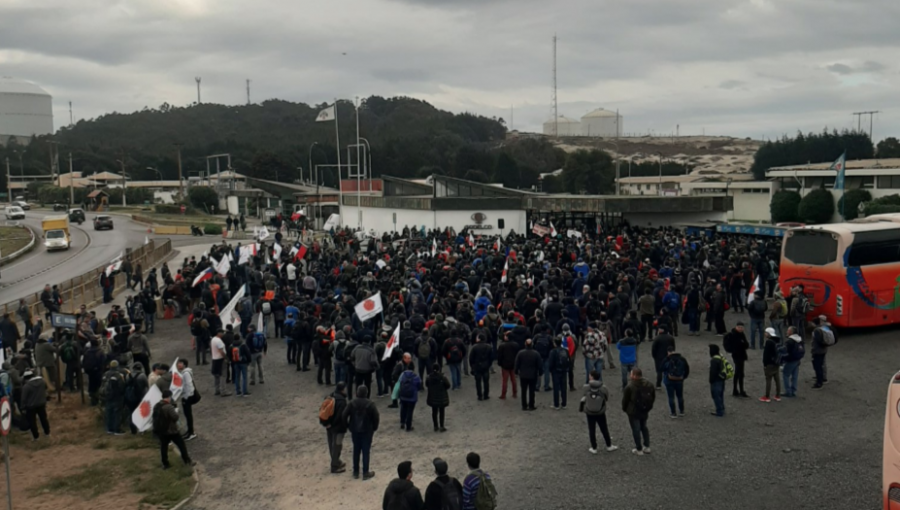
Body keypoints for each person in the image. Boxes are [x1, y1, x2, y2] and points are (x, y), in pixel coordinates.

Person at [343, 385, 379, 480]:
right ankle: (365, 472)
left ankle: (355, 472)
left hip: (355, 430)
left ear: (357, 392)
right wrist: (374, 428)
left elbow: (344, 415)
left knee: (356, 450)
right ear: (366, 393)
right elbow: (376, 417)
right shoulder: (370, 404)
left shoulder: (352, 403)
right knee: (366, 451)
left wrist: (348, 426)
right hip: (367, 430)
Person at [152, 389, 193, 470]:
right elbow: (175, 417)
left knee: (164, 447)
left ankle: (165, 464)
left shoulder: (157, 405)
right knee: (181, 445)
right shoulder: (168, 407)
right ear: (169, 397)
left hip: (162, 431)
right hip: (171, 431)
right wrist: (176, 411)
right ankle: (187, 461)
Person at [580, 370, 618, 454]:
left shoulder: (586, 387)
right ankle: (609, 445)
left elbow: (584, 396)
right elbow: (606, 397)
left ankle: (594, 447)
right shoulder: (603, 388)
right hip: (600, 411)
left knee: (592, 429)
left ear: (591, 377)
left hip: (589, 411)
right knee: (604, 428)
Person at [622, 367, 654, 455]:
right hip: (644, 410)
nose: (630, 375)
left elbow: (625, 400)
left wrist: (625, 409)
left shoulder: (630, 386)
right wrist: (648, 408)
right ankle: (647, 446)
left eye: (631, 374)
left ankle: (639, 448)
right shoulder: (649, 384)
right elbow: (652, 397)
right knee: (644, 427)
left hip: (633, 411)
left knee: (636, 429)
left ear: (635, 376)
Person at [323, 382, 349, 474]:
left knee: (331, 445)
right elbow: (341, 416)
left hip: (328, 426)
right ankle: (334, 466)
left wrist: (326, 423)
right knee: (337, 446)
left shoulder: (330, 396)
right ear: (342, 389)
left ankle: (336, 461)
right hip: (337, 428)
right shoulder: (342, 401)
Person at [514, 338, 543, 411]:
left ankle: (524, 405)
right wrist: (540, 372)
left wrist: (516, 372)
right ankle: (531, 405)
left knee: (523, 391)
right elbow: (539, 364)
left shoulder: (520, 353)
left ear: (525, 344)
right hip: (533, 375)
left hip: (523, 375)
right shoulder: (536, 353)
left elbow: (517, 363)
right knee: (532, 391)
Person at [661, 345, 689, 418]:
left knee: (671, 397)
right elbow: (687, 369)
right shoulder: (682, 359)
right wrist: (683, 377)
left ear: (668, 352)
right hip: (679, 380)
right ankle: (681, 411)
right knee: (680, 396)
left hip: (669, 380)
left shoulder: (667, 359)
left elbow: (661, 368)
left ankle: (673, 413)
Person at [21, 370, 50, 441]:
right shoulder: (42, 381)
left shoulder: (26, 386)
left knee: (32, 422)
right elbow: (46, 388)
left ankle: (36, 437)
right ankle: (47, 433)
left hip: (30, 406)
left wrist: (22, 407)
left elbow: (23, 398)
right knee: (43, 419)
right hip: (41, 404)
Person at [723, 322, 749, 398]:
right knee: (738, 373)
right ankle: (737, 389)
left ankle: (739, 390)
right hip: (737, 355)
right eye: (739, 327)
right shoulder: (732, 335)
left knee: (740, 373)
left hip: (741, 355)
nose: (741, 329)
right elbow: (728, 345)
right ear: (736, 327)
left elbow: (746, 344)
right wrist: (734, 350)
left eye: (742, 327)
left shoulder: (741, 334)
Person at [810, 315, 836, 389]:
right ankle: (821, 378)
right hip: (823, 349)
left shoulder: (817, 331)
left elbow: (817, 341)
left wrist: (813, 349)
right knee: (821, 364)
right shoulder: (824, 328)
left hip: (818, 351)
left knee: (818, 365)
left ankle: (820, 381)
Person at [102, 360, 126, 435]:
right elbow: (121, 386)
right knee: (117, 413)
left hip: (107, 396)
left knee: (109, 412)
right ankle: (117, 430)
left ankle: (109, 429)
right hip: (116, 396)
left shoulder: (105, 374)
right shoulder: (118, 375)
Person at [397, 362, 423, 431]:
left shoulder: (402, 375)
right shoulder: (416, 377)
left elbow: (399, 382)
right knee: (410, 412)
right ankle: (408, 426)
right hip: (412, 397)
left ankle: (402, 423)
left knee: (403, 409)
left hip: (403, 395)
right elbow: (419, 386)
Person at [177, 358, 199, 440]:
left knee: (188, 415)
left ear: (184, 365)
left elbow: (189, 385)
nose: (178, 364)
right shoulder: (184, 372)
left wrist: (187, 396)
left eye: (180, 363)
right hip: (186, 396)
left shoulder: (185, 373)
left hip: (186, 397)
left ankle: (191, 432)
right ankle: (189, 431)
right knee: (187, 415)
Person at [425, 364, 450, 432]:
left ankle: (435, 426)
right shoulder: (442, 377)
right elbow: (448, 385)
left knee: (434, 412)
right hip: (441, 397)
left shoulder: (429, 377)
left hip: (432, 396)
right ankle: (442, 426)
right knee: (442, 412)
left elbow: (427, 384)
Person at [759, 328, 782, 403]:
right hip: (776, 363)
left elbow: (766, 355)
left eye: (766, 333)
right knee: (777, 379)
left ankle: (767, 396)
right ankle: (778, 395)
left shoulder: (769, 342)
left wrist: (765, 364)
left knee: (768, 379)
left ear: (768, 333)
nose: (765, 334)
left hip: (769, 364)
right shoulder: (777, 340)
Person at [782, 327, 805, 398]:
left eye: (788, 330)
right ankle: (793, 390)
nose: (787, 331)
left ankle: (788, 391)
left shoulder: (789, 341)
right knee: (794, 376)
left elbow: (785, 351)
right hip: (797, 359)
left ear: (791, 332)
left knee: (785, 374)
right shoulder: (800, 340)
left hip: (791, 360)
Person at [548, 337, 570, 410]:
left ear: (554, 343)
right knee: (564, 387)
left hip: (556, 371)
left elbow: (551, 363)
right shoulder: (565, 351)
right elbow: (569, 360)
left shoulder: (553, 351)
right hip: (564, 370)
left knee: (556, 388)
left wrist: (550, 370)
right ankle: (564, 404)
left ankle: (556, 404)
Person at [494, 334, 518, 400]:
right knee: (513, 379)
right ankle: (514, 393)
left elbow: (499, 356)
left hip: (505, 365)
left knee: (505, 380)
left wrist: (500, 363)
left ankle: (503, 394)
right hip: (513, 364)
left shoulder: (502, 345)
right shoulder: (516, 345)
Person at [709, 344, 728, 417]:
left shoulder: (714, 360)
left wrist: (711, 380)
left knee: (716, 395)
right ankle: (722, 408)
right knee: (720, 395)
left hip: (716, 381)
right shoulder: (720, 358)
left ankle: (719, 411)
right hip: (721, 379)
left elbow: (713, 372)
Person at [210, 330, 231, 396]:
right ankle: (223, 391)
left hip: (214, 359)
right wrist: (226, 358)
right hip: (220, 359)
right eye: (222, 333)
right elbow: (221, 351)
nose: (223, 334)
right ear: (219, 333)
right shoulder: (219, 341)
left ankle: (217, 390)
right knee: (223, 375)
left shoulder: (213, 339)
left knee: (216, 375)